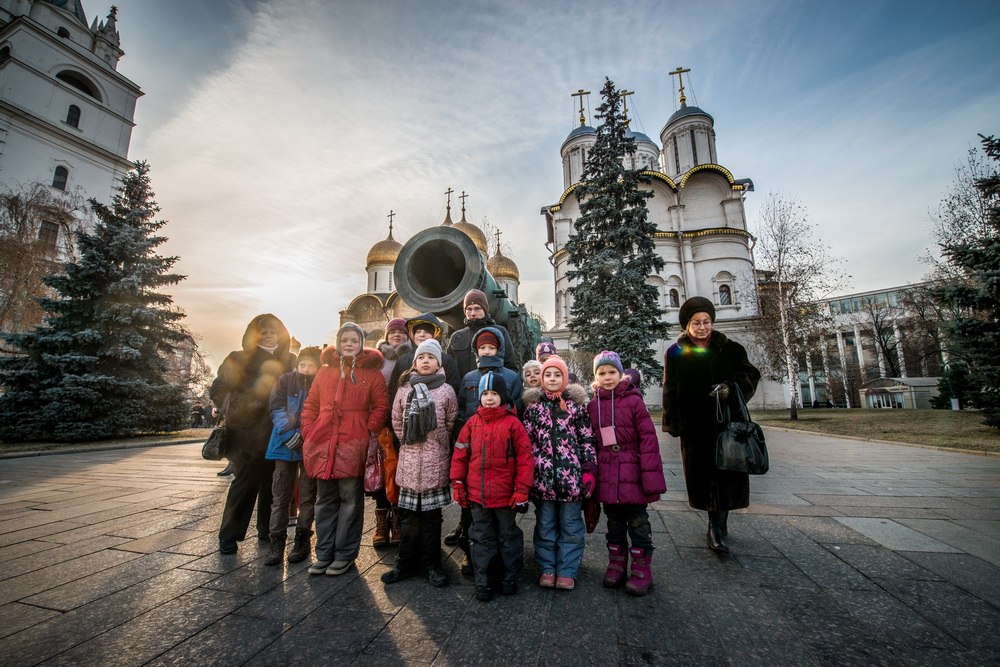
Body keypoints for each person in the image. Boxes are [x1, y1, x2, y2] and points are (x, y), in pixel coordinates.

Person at [662, 296, 761, 554]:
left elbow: (750, 374)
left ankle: (718, 525)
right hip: (695, 428)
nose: (702, 327)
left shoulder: (730, 349)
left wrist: (731, 388)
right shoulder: (676, 353)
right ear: (686, 325)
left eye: (706, 321)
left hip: (727, 425)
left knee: (727, 474)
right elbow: (670, 389)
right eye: (696, 322)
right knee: (703, 478)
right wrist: (672, 421)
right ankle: (714, 523)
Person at [301, 323, 389, 576]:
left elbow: (381, 405)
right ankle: (324, 553)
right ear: (338, 342)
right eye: (345, 340)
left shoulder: (371, 374)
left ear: (361, 343)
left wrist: (367, 430)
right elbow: (311, 403)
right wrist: (309, 429)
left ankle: (344, 554)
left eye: (354, 340)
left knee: (350, 500)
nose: (349, 344)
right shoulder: (325, 372)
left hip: (353, 439)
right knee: (324, 500)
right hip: (323, 439)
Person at [211, 314, 296, 555]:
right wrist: (243, 406)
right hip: (247, 434)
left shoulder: (289, 360)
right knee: (244, 484)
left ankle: (267, 530)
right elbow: (219, 389)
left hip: (278, 432)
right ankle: (229, 535)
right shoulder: (238, 358)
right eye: (264, 332)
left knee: (273, 484)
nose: (269, 336)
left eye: (274, 332)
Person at [587, 351, 666, 595]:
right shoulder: (592, 405)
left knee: (638, 521)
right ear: (596, 377)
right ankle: (616, 563)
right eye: (602, 373)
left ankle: (642, 567)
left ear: (621, 374)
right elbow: (589, 439)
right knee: (614, 522)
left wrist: (651, 478)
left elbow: (648, 439)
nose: (607, 377)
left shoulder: (633, 401)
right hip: (608, 470)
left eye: (612, 372)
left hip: (633, 467)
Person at [382, 339, 457, 587]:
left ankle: (431, 565)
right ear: (415, 362)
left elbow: (450, 420)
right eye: (421, 357)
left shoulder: (446, 390)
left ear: (438, 363)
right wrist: (410, 439)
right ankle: (405, 564)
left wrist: (436, 441)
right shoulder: (405, 389)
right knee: (408, 518)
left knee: (432, 519)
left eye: (431, 358)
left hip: (435, 460)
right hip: (410, 461)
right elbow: (397, 422)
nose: (426, 361)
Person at [451, 372, 533, 601]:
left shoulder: (512, 424)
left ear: (503, 396)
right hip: (478, 496)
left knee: (508, 537)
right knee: (481, 538)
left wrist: (521, 490)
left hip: (506, 496)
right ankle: (484, 580)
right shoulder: (472, 423)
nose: (489, 398)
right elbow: (460, 455)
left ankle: (509, 576)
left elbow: (525, 459)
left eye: (494, 393)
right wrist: (458, 484)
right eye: (484, 393)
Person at [450, 326, 524, 572]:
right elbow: (462, 406)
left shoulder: (511, 377)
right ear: (476, 350)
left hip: (501, 450)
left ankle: (502, 560)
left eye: (491, 347)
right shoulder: (470, 377)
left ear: (499, 349)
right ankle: (473, 555)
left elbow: (516, 409)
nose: (487, 350)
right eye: (482, 347)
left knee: (502, 515)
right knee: (474, 510)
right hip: (475, 446)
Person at [522, 355, 596, 590]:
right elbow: (526, 442)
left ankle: (566, 570)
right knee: (545, 526)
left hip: (571, 480)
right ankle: (547, 568)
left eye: (557, 375)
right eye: (548, 375)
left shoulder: (576, 408)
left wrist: (589, 470)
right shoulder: (534, 409)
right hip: (543, 480)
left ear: (564, 378)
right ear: (541, 379)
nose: (552, 379)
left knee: (571, 527)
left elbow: (586, 440)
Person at [263, 346, 321, 566]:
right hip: (283, 444)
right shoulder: (285, 381)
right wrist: (288, 432)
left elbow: (319, 412)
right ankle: (276, 542)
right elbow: (275, 408)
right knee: (280, 497)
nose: (306, 369)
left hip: (308, 445)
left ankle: (302, 540)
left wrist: (303, 434)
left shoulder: (318, 384)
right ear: (298, 364)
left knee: (307, 496)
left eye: (311, 365)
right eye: (303, 364)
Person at [373, 318, 413, 547]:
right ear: (387, 335)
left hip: (404, 420)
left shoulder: (411, 357)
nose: (396, 335)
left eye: (401, 332)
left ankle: (397, 517)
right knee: (381, 468)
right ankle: (381, 519)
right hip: (381, 419)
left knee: (399, 468)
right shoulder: (377, 358)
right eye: (393, 332)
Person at [447, 289, 520, 377]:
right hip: (465, 388)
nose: (473, 313)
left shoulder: (500, 332)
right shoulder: (457, 337)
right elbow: (449, 370)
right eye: (469, 309)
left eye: (477, 308)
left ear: (485, 310)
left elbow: (510, 365)